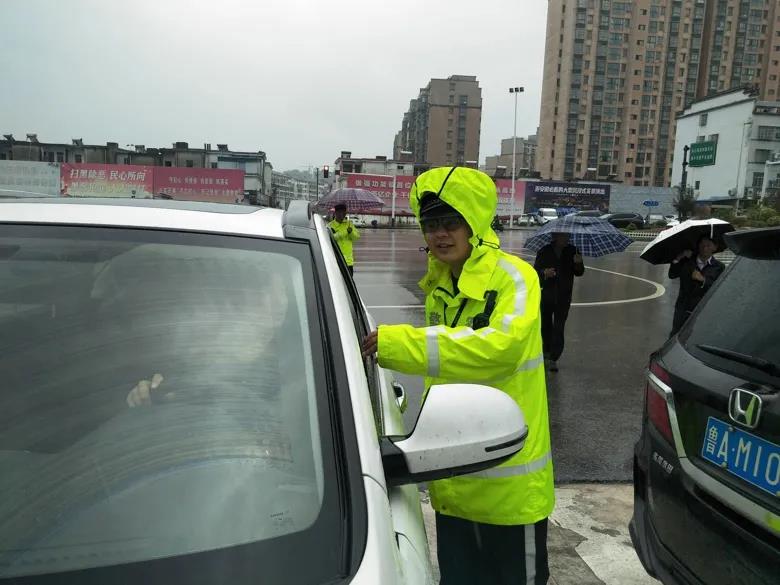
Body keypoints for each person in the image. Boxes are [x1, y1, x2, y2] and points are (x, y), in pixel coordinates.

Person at [361, 166, 554, 585]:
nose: (440, 234)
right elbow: (444, 374)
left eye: (451, 223)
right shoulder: (440, 287)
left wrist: (398, 345)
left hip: (509, 490)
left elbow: (499, 349)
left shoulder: (514, 278)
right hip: (454, 483)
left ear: (475, 224)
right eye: (431, 225)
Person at [533, 232, 585, 372]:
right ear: (555, 237)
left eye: (567, 236)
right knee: (545, 326)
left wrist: (578, 263)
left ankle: (553, 358)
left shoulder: (572, 250)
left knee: (559, 327)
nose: (566, 239)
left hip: (564, 296)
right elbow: (535, 272)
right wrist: (545, 273)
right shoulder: (544, 251)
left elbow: (579, 272)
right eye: (563, 236)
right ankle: (545, 352)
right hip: (546, 295)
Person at [668, 234, 725, 336]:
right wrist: (677, 259)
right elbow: (672, 275)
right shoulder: (686, 261)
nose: (704, 247)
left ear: (715, 247)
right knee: (675, 335)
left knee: (696, 337)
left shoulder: (719, 267)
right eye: (702, 244)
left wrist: (703, 280)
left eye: (708, 245)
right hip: (683, 308)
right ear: (698, 246)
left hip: (702, 309)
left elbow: (719, 288)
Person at [328, 203, 360, 276]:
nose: (342, 215)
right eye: (340, 212)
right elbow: (332, 238)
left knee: (348, 285)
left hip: (348, 262)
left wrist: (351, 232)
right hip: (336, 260)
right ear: (335, 213)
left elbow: (356, 237)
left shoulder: (349, 224)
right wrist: (346, 232)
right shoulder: (330, 226)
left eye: (344, 213)